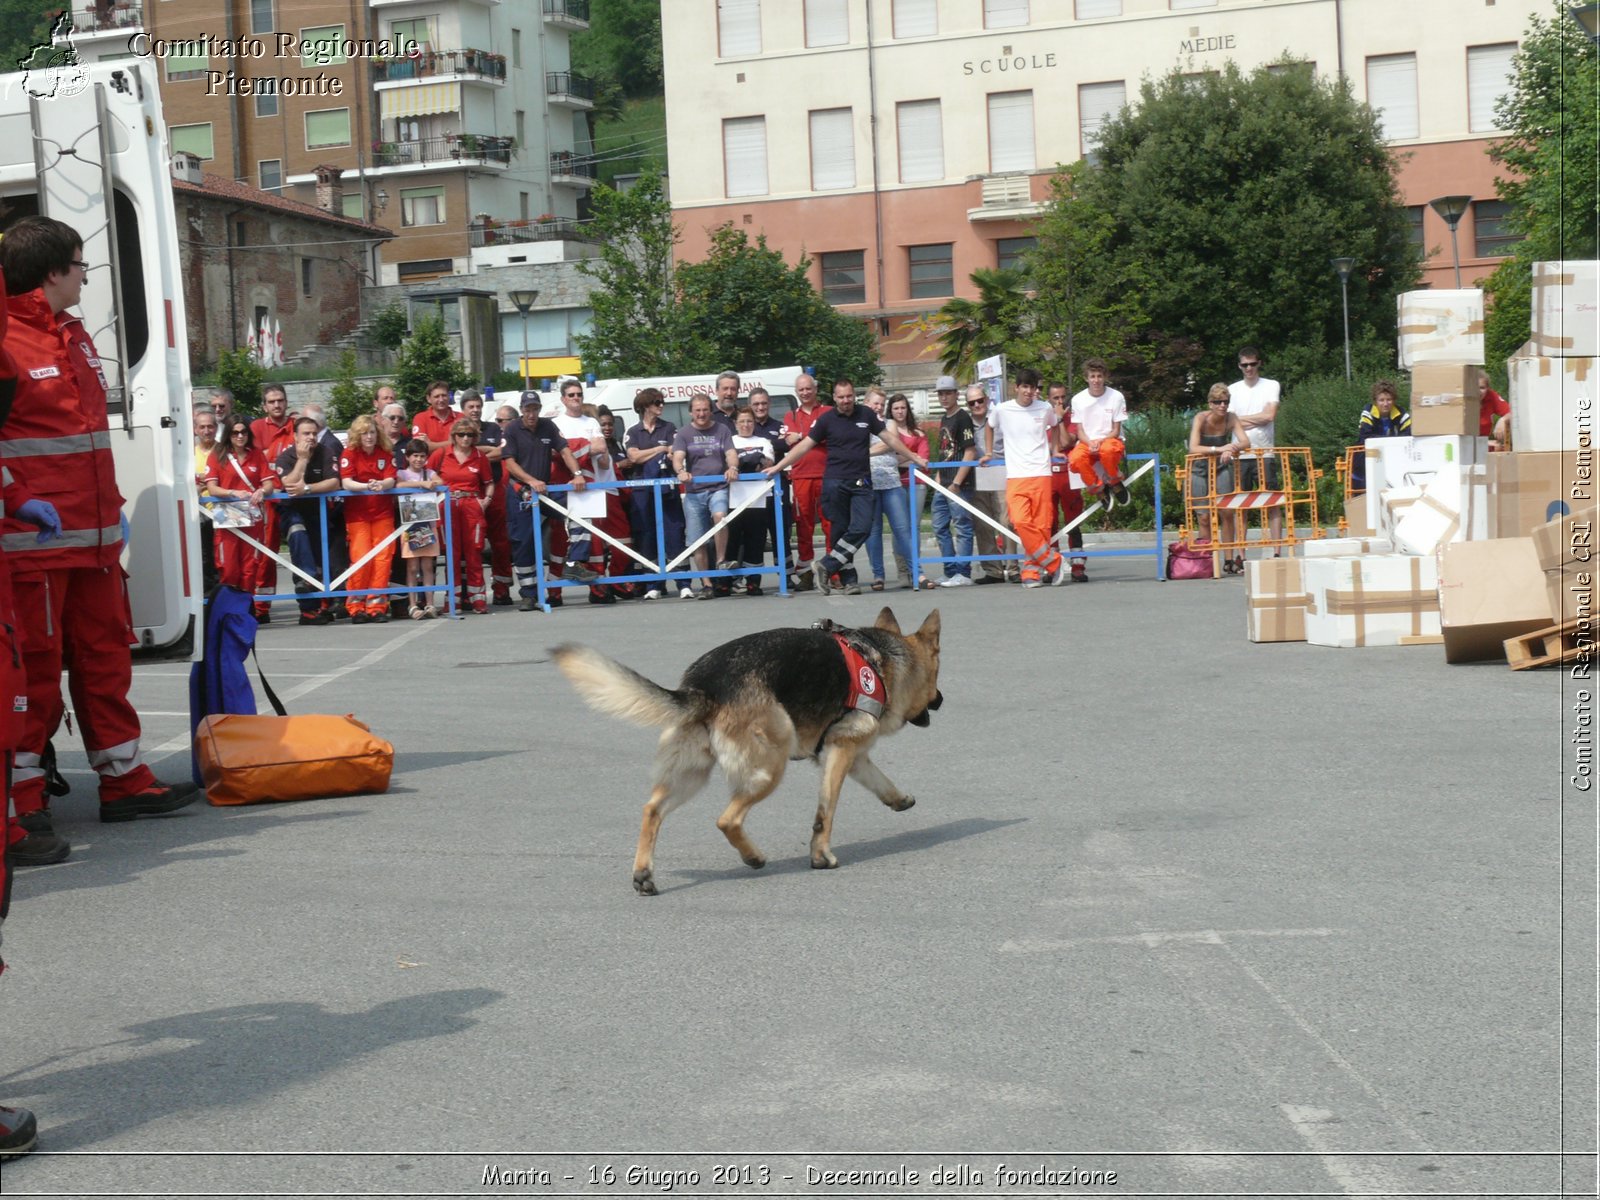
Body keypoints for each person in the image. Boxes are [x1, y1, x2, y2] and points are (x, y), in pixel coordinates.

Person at [1, 215, 199, 866]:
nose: (87, 275)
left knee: (105, 659)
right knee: (31, 672)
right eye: (81, 264)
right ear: (55, 271)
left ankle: (124, 779)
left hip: (90, 541)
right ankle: (22, 802)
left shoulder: (72, 332)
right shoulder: (5, 336)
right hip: (33, 546)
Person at [765, 379, 927, 595]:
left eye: (849, 396)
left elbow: (889, 438)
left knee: (862, 527)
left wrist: (913, 456)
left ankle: (827, 565)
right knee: (839, 532)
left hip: (861, 482)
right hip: (834, 482)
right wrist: (779, 466)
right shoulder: (826, 419)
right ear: (834, 397)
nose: (846, 401)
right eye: (841, 397)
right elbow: (804, 446)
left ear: (854, 396)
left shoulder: (866, 415)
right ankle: (849, 579)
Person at [981, 367, 1068, 589]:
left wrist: (1055, 449)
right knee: (1019, 521)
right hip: (1017, 475)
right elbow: (989, 427)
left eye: (1033, 387)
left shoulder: (1044, 407)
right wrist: (989, 452)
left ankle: (1031, 573)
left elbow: (1055, 424)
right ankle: (1053, 561)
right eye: (1025, 387)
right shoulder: (1003, 409)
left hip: (1041, 472)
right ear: (1017, 388)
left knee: (1041, 526)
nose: (1029, 391)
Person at [502, 394, 586, 610]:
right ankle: (529, 595)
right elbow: (509, 463)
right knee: (524, 543)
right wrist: (531, 481)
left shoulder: (548, 426)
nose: (531, 414)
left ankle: (573, 562)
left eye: (535, 409)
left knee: (578, 512)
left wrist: (577, 473)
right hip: (521, 492)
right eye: (528, 409)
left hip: (545, 491)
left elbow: (565, 451)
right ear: (521, 409)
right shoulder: (511, 429)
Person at [205, 419, 279, 608]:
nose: (240, 436)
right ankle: (230, 610)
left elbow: (269, 483)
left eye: (243, 432)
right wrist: (232, 493)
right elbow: (212, 488)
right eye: (235, 432)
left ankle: (245, 609)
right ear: (228, 434)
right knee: (228, 568)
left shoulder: (256, 455)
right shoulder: (217, 455)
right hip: (227, 516)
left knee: (250, 567)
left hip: (252, 517)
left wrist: (262, 491)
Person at [671, 393, 739, 598]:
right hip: (694, 492)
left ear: (711, 410)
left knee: (720, 516)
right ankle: (707, 583)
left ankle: (720, 561)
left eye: (705, 409)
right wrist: (680, 471)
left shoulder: (722, 429)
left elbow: (731, 453)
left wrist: (733, 467)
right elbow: (678, 457)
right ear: (691, 412)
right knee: (697, 540)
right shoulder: (684, 433)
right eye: (697, 410)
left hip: (717, 486)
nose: (701, 414)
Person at [274, 415, 341, 624]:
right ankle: (308, 605)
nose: (311, 437)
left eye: (314, 433)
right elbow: (289, 486)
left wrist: (308, 488)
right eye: (306, 433)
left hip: (318, 513)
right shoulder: (285, 457)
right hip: (292, 512)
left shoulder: (325, 452)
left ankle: (321, 605)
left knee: (322, 557)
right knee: (297, 532)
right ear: (295, 436)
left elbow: (334, 482)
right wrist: (302, 460)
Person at [624, 388, 689, 601]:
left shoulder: (669, 427)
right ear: (645, 406)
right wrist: (659, 450)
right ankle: (653, 583)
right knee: (647, 534)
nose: (661, 406)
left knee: (674, 532)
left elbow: (675, 452)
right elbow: (633, 457)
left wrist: (658, 452)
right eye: (657, 402)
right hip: (642, 490)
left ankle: (683, 582)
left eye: (662, 402)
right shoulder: (633, 431)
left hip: (667, 489)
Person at [548, 378, 607, 597]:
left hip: (587, 485)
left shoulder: (590, 422)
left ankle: (598, 590)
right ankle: (553, 592)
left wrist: (568, 449)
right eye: (571, 395)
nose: (576, 398)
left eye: (579, 394)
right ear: (563, 399)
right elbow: (553, 453)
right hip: (561, 485)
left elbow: (600, 447)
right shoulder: (555, 423)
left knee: (593, 539)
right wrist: (583, 446)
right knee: (558, 540)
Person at [427, 417, 493, 614]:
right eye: (461, 434)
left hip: (471, 504)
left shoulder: (479, 457)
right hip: (448, 505)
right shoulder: (441, 454)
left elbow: (489, 482)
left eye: (470, 435)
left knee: (474, 551)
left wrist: (486, 500)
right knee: (452, 554)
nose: (465, 438)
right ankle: (452, 599)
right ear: (454, 437)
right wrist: (436, 484)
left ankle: (478, 599)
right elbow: (427, 472)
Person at [337, 413, 399, 622]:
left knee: (382, 559)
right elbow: (346, 482)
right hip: (358, 515)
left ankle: (377, 606)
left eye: (372, 432)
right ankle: (356, 606)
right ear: (357, 435)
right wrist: (367, 487)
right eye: (364, 433)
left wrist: (382, 485)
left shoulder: (385, 453)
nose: (369, 437)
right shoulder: (349, 453)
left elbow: (391, 477)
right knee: (361, 559)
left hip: (382, 513)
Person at [866, 391, 927, 591]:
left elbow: (890, 442)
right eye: (875, 403)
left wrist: (864, 451)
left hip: (892, 482)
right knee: (873, 532)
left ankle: (917, 572)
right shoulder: (860, 423)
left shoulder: (889, 423)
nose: (878, 407)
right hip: (869, 483)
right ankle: (878, 576)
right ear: (866, 402)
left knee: (903, 529)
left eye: (882, 404)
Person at [1187, 383, 1250, 565]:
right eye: (1218, 402)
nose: (1222, 405)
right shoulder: (1201, 418)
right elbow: (1193, 447)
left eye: (1225, 401)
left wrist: (1231, 448)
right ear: (1210, 404)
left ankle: (1229, 559)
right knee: (1204, 516)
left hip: (1221, 467)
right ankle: (1206, 560)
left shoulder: (1231, 418)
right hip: (1199, 469)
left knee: (1227, 512)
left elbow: (1246, 442)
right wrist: (1218, 448)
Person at [248, 383, 295, 620]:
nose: (277, 405)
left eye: (280, 400)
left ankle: (314, 604)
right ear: (264, 405)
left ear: (286, 402)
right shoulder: (256, 427)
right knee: (266, 553)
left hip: (295, 496)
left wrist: (271, 456)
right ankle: (261, 607)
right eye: (272, 401)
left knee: (302, 549)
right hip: (268, 499)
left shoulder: (296, 425)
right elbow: (255, 461)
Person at [1228, 345, 1284, 545]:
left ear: (1259, 363)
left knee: (1272, 502)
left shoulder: (1271, 385)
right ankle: (1240, 555)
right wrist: (1257, 418)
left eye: (1252, 364)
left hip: (1264, 452)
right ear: (1239, 366)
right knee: (1240, 505)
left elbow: (1270, 416)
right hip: (1240, 454)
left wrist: (1239, 420)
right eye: (1245, 365)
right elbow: (1228, 422)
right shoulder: (1232, 390)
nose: (1249, 368)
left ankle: (1277, 549)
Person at [461, 391, 513, 604]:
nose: (475, 410)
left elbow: (502, 451)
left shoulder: (492, 428)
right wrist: (485, 452)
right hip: (472, 493)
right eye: (471, 406)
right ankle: (470, 591)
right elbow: (459, 452)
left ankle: (502, 589)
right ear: (463, 409)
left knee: (500, 542)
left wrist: (475, 454)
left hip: (496, 491)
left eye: (478, 406)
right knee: (471, 544)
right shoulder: (460, 430)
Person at [781, 372, 830, 589]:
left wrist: (802, 436)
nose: (805, 392)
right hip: (800, 476)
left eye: (808, 388)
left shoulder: (828, 412)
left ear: (815, 389)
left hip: (826, 475)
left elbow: (829, 436)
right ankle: (805, 574)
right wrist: (813, 435)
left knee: (830, 524)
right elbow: (790, 440)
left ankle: (832, 571)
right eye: (801, 390)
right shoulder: (790, 415)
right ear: (796, 392)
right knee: (803, 526)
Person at [930, 375, 977, 587]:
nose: (944, 397)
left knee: (962, 526)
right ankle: (949, 570)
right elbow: (944, 451)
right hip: (944, 481)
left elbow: (969, 451)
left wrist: (957, 482)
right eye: (941, 393)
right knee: (939, 525)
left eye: (948, 392)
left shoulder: (962, 418)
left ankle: (963, 572)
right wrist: (939, 478)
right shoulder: (944, 418)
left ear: (956, 394)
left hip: (959, 484)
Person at [1068, 358, 1130, 510]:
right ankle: (1099, 488)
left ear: (1105, 377)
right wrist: (1090, 443)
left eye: (1099, 376)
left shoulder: (1116, 397)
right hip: (1086, 442)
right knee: (1075, 459)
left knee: (1107, 450)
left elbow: (1116, 430)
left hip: (1109, 440)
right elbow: (1079, 431)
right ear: (1086, 378)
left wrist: (1100, 441)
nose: (1096, 380)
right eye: (1092, 376)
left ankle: (1115, 480)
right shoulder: (1078, 399)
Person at [964, 386, 1011, 583]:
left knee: (1007, 521)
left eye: (979, 400)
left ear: (987, 399)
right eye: (971, 403)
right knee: (982, 524)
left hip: (1001, 472)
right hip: (978, 476)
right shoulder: (965, 424)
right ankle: (993, 570)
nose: (976, 405)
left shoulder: (999, 418)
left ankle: (1013, 565)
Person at [729, 406, 776, 595]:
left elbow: (767, 463)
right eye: (742, 421)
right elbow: (729, 463)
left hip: (758, 498)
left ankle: (753, 581)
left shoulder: (763, 441)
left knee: (755, 541)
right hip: (734, 498)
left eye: (749, 421)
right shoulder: (730, 441)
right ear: (735, 423)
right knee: (732, 541)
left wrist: (749, 461)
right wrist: (750, 460)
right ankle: (728, 581)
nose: (746, 425)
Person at [396, 438, 444, 618]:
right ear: (408, 457)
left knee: (427, 566)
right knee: (412, 567)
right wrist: (420, 484)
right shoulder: (403, 473)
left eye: (422, 456)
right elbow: (399, 484)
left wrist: (430, 482)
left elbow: (439, 480)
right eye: (415, 456)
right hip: (410, 524)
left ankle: (430, 603)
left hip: (427, 523)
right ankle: (412, 604)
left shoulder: (429, 472)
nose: (418, 460)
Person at [1046, 381, 1088, 583]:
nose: (1060, 401)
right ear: (1049, 399)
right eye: (1056, 398)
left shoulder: (1071, 418)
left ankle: (1078, 564)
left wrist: (1061, 419)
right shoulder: (1042, 418)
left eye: (1063, 397)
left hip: (1069, 475)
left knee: (1074, 521)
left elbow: (1065, 442)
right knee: (1049, 523)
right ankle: (1052, 566)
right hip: (1047, 475)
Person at [193, 406, 220, 593]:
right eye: (202, 427)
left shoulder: (224, 451)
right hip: (199, 514)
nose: (206, 431)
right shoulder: (188, 454)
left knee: (222, 558)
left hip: (222, 512)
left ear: (216, 428)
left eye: (210, 426)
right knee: (203, 558)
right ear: (195, 429)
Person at [411, 380, 461, 453]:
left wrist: (431, 445)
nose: (441, 400)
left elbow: (465, 444)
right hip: (430, 464)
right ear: (428, 399)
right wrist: (453, 442)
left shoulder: (461, 418)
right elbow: (420, 447)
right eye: (436, 396)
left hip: (454, 463)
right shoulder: (420, 418)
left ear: (449, 396)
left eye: (444, 395)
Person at [1478, 371, 1511, 450]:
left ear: (1487, 388)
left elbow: (1514, 413)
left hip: (1483, 446)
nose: (1478, 391)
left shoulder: (1491, 396)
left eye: (1482, 388)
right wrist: (1485, 442)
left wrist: (1503, 420)